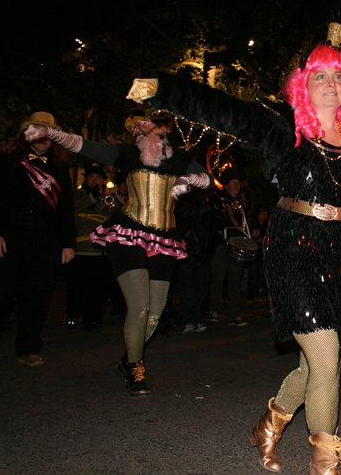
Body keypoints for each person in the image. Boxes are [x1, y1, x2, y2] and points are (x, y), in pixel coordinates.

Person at [126, 23, 341, 474]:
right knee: (328, 356)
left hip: (336, 251)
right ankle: (324, 464)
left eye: (338, 77)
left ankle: (267, 428)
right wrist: (165, 89)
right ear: (303, 85)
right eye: (320, 76)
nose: (330, 84)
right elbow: (224, 110)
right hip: (291, 245)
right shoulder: (285, 128)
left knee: (315, 367)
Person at [24, 108, 213, 396]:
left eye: (166, 127)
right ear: (140, 129)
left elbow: (207, 178)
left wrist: (187, 181)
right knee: (139, 306)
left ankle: (128, 358)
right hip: (128, 235)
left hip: (164, 237)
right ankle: (137, 368)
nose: (163, 131)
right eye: (156, 126)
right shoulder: (126, 154)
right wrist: (52, 133)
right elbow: (83, 145)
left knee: (155, 312)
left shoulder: (179, 159)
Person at [0, 112, 75, 365]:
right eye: (38, 130)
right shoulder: (7, 161)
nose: (43, 137)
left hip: (43, 242)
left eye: (48, 132)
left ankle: (28, 348)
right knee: (0, 294)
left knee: (36, 298)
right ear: (27, 134)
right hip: (8, 239)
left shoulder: (60, 168)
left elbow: (65, 208)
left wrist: (67, 243)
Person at [67, 165, 115, 331]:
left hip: (101, 252)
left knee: (99, 289)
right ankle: (72, 316)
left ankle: (92, 318)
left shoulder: (108, 199)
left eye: (99, 178)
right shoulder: (77, 195)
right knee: (77, 287)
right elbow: (72, 210)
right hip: (81, 249)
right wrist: (92, 196)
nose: (95, 181)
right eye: (91, 177)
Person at [209, 170, 250, 326]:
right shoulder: (217, 201)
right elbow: (214, 222)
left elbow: (243, 225)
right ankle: (214, 310)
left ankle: (234, 315)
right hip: (222, 244)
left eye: (238, 182)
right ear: (225, 186)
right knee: (218, 278)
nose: (237, 184)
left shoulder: (240, 204)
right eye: (233, 182)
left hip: (238, 245)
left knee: (235, 281)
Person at [175, 186, 216, 334]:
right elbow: (187, 214)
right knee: (188, 288)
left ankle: (196, 319)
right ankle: (187, 321)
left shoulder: (207, 201)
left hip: (205, 252)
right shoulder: (184, 199)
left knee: (202, 288)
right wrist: (209, 205)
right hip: (189, 250)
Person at [245, 206, 270, 302]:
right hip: (253, 254)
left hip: (262, 255)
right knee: (253, 275)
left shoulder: (267, 226)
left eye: (265, 214)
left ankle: (253, 294)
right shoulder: (252, 224)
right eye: (262, 214)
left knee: (260, 276)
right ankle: (249, 297)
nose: (264, 216)